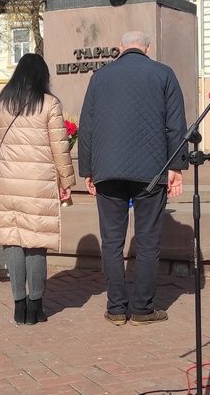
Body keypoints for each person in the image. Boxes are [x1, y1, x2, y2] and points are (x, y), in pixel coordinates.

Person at [79, 31, 186, 326]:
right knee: (148, 241)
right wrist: (176, 166)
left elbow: (87, 126)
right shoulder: (163, 74)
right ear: (147, 48)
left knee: (112, 241)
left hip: (107, 170)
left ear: (120, 48)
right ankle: (142, 309)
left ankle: (116, 308)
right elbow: (176, 125)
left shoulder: (100, 77)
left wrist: (88, 170)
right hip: (151, 170)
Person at [0, 54, 76, 325]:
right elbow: (60, 147)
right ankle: (36, 306)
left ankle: (18, 305)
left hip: (7, 181)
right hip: (38, 182)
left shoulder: (1, 103)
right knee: (36, 242)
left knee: (12, 240)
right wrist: (66, 182)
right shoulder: (49, 103)